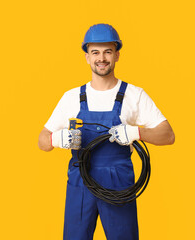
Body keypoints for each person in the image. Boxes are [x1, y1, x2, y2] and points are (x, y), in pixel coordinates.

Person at [38, 23, 175, 240]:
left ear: (117, 55)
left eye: (107, 52)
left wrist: (137, 133)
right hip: (80, 180)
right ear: (87, 57)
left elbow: (168, 135)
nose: (101, 58)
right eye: (95, 52)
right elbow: (42, 140)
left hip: (118, 182)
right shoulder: (71, 97)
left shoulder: (134, 95)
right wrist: (56, 138)